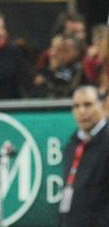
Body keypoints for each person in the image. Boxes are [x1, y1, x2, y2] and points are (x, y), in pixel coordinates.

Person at [59, 85, 109, 226]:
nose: (82, 111)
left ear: (102, 106)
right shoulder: (72, 144)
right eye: (76, 106)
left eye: (88, 105)